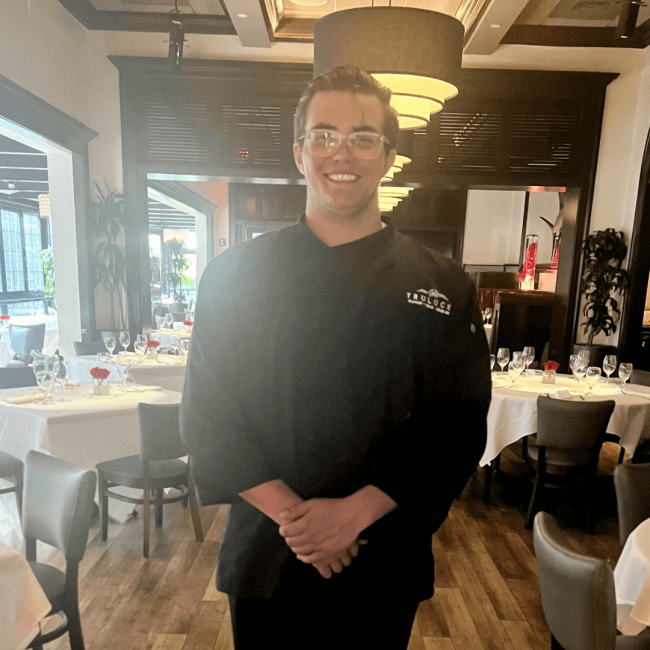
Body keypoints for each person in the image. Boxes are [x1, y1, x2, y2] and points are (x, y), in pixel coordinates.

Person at [180, 65, 491, 649]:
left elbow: (457, 427)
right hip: (270, 557)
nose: (340, 151)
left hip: (384, 559)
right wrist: (303, 523)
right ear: (299, 154)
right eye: (323, 135)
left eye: (362, 137)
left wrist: (351, 516)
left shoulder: (444, 286)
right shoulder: (233, 277)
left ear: (389, 157)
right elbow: (209, 419)